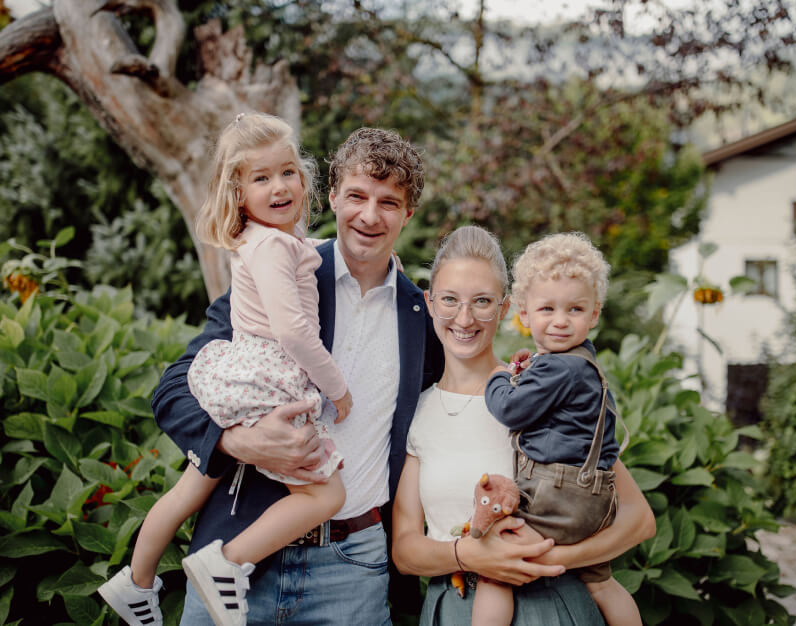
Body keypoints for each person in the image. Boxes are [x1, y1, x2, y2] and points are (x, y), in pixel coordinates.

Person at [150, 126, 447, 625]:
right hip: (240, 555)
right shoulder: (284, 271)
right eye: (356, 196)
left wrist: (520, 371)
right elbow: (174, 388)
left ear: (408, 213)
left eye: (388, 203)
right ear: (330, 197)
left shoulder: (422, 316)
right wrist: (234, 441)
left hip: (354, 569)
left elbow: (459, 389)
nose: (369, 216)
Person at [98, 113, 353, 626]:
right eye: (261, 178)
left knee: (190, 488)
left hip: (238, 374)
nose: (278, 186)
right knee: (327, 493)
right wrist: (338, 389)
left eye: (287, 172)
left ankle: (135, 580)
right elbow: (294, 333)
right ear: (238, 192)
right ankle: (227, 562)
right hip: (269, 381)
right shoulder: (276, 246)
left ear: (303, 178)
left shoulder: (258, 241)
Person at [392, 225, 656, 625]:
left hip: (549, 604)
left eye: (482, 301)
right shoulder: (418, 410)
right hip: (452, 609)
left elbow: (639, 519)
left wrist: (547, 558)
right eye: (449, 300)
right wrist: (469, 556)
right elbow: (405, 550)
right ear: (430, 304)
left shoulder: (540, 393)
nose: (464, 317)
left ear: (505, 308)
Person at [479, 231, 641, 625]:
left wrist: (498, 376)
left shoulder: (557, 366)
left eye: (574, 310)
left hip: (556, 496)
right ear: (525, 314)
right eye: (547, 309)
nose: (560, 322)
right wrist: (527, 366)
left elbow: (511, 410)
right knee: (601, 582)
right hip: (595, 499)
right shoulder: (583, 361)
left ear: (594, 314)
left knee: (495, 570)